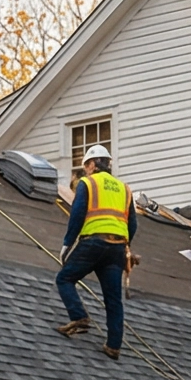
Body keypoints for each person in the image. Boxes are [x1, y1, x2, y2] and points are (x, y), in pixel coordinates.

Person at [54, 146, 131, 358]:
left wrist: (67, 245)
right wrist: (127, 248)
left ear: (92, 164)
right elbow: (132, 223)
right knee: (113, 300)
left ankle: (79, 316)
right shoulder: (125, 189)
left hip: (93, 243)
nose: (85, 170)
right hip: (116, 248)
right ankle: (113, 346)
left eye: (86, 166)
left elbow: (77, 214)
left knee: (64, 279)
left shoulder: (88, 183)